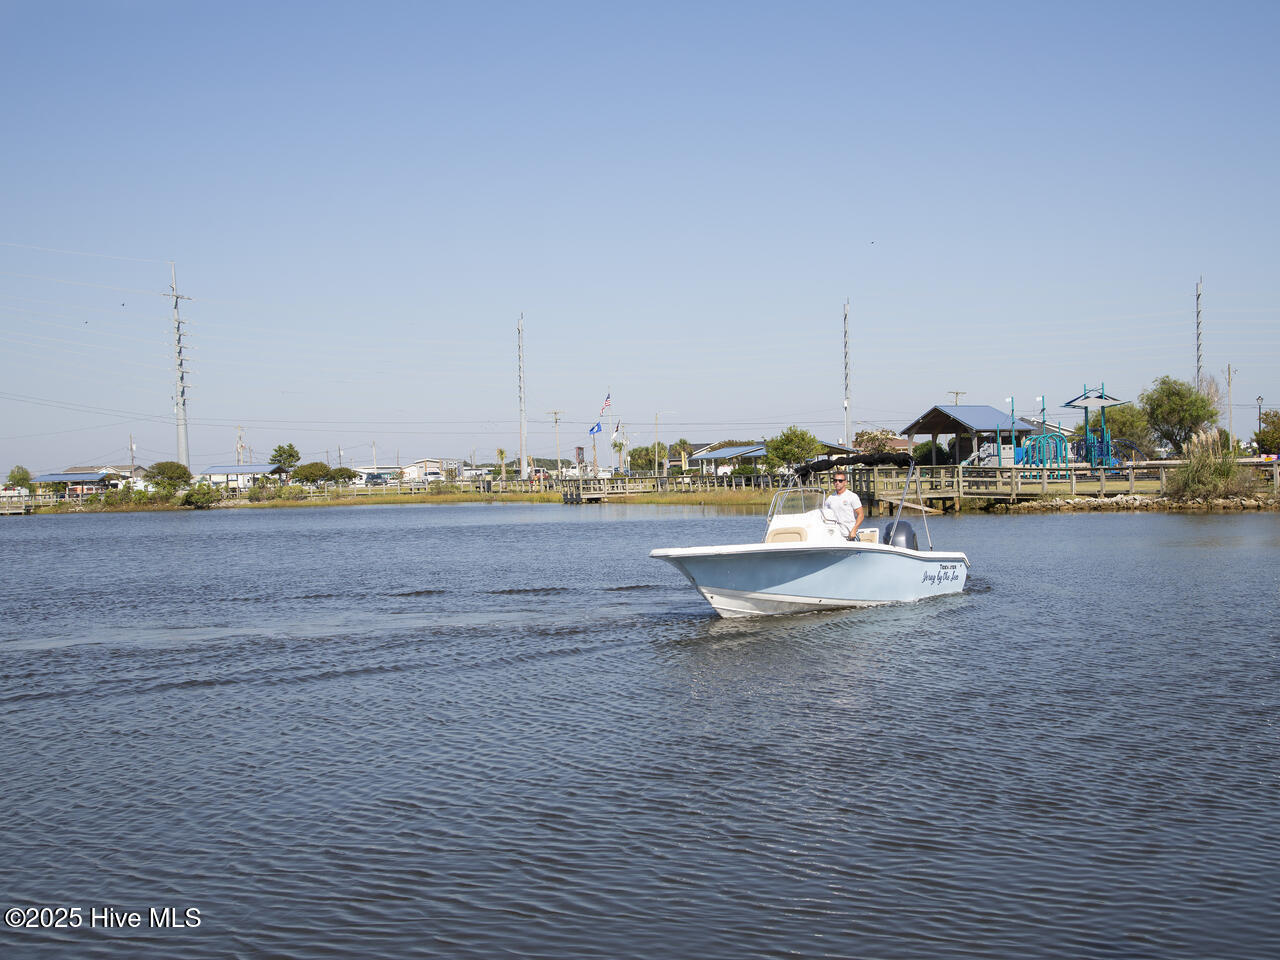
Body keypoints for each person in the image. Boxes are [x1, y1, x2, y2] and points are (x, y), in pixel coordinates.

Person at [823, 472, 865, 540]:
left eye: (840, 481)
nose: (837, 482)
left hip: (851, 534)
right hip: (836, 535)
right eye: (835, 480)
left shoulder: (852, 496)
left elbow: (861, 514)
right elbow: (825, 516)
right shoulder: (830, 498)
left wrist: (854, 529)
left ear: (845, 482)